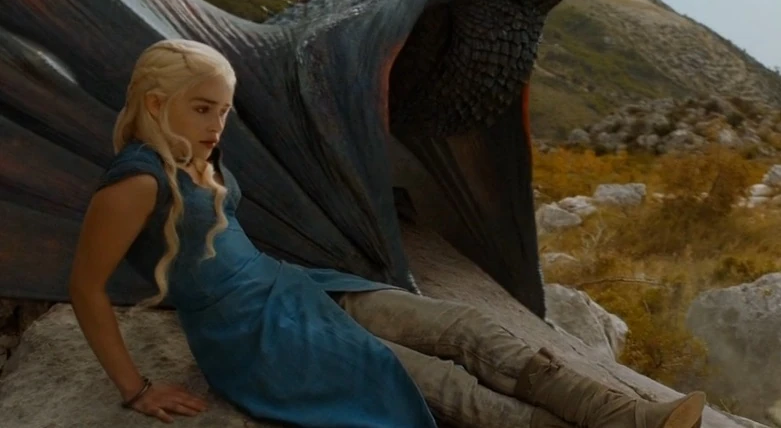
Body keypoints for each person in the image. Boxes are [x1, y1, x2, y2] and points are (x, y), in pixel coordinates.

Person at [69, 38, 707, 428]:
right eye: (203, 108)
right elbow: (86, 288)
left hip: (292, 288)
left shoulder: (195, 153)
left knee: (465, 327)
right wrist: (136, 389)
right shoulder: (137, 182)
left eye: (223, 110)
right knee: (439, 385)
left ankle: (627, 416)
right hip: (256, 336)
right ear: (156, 104)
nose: (217, 124)